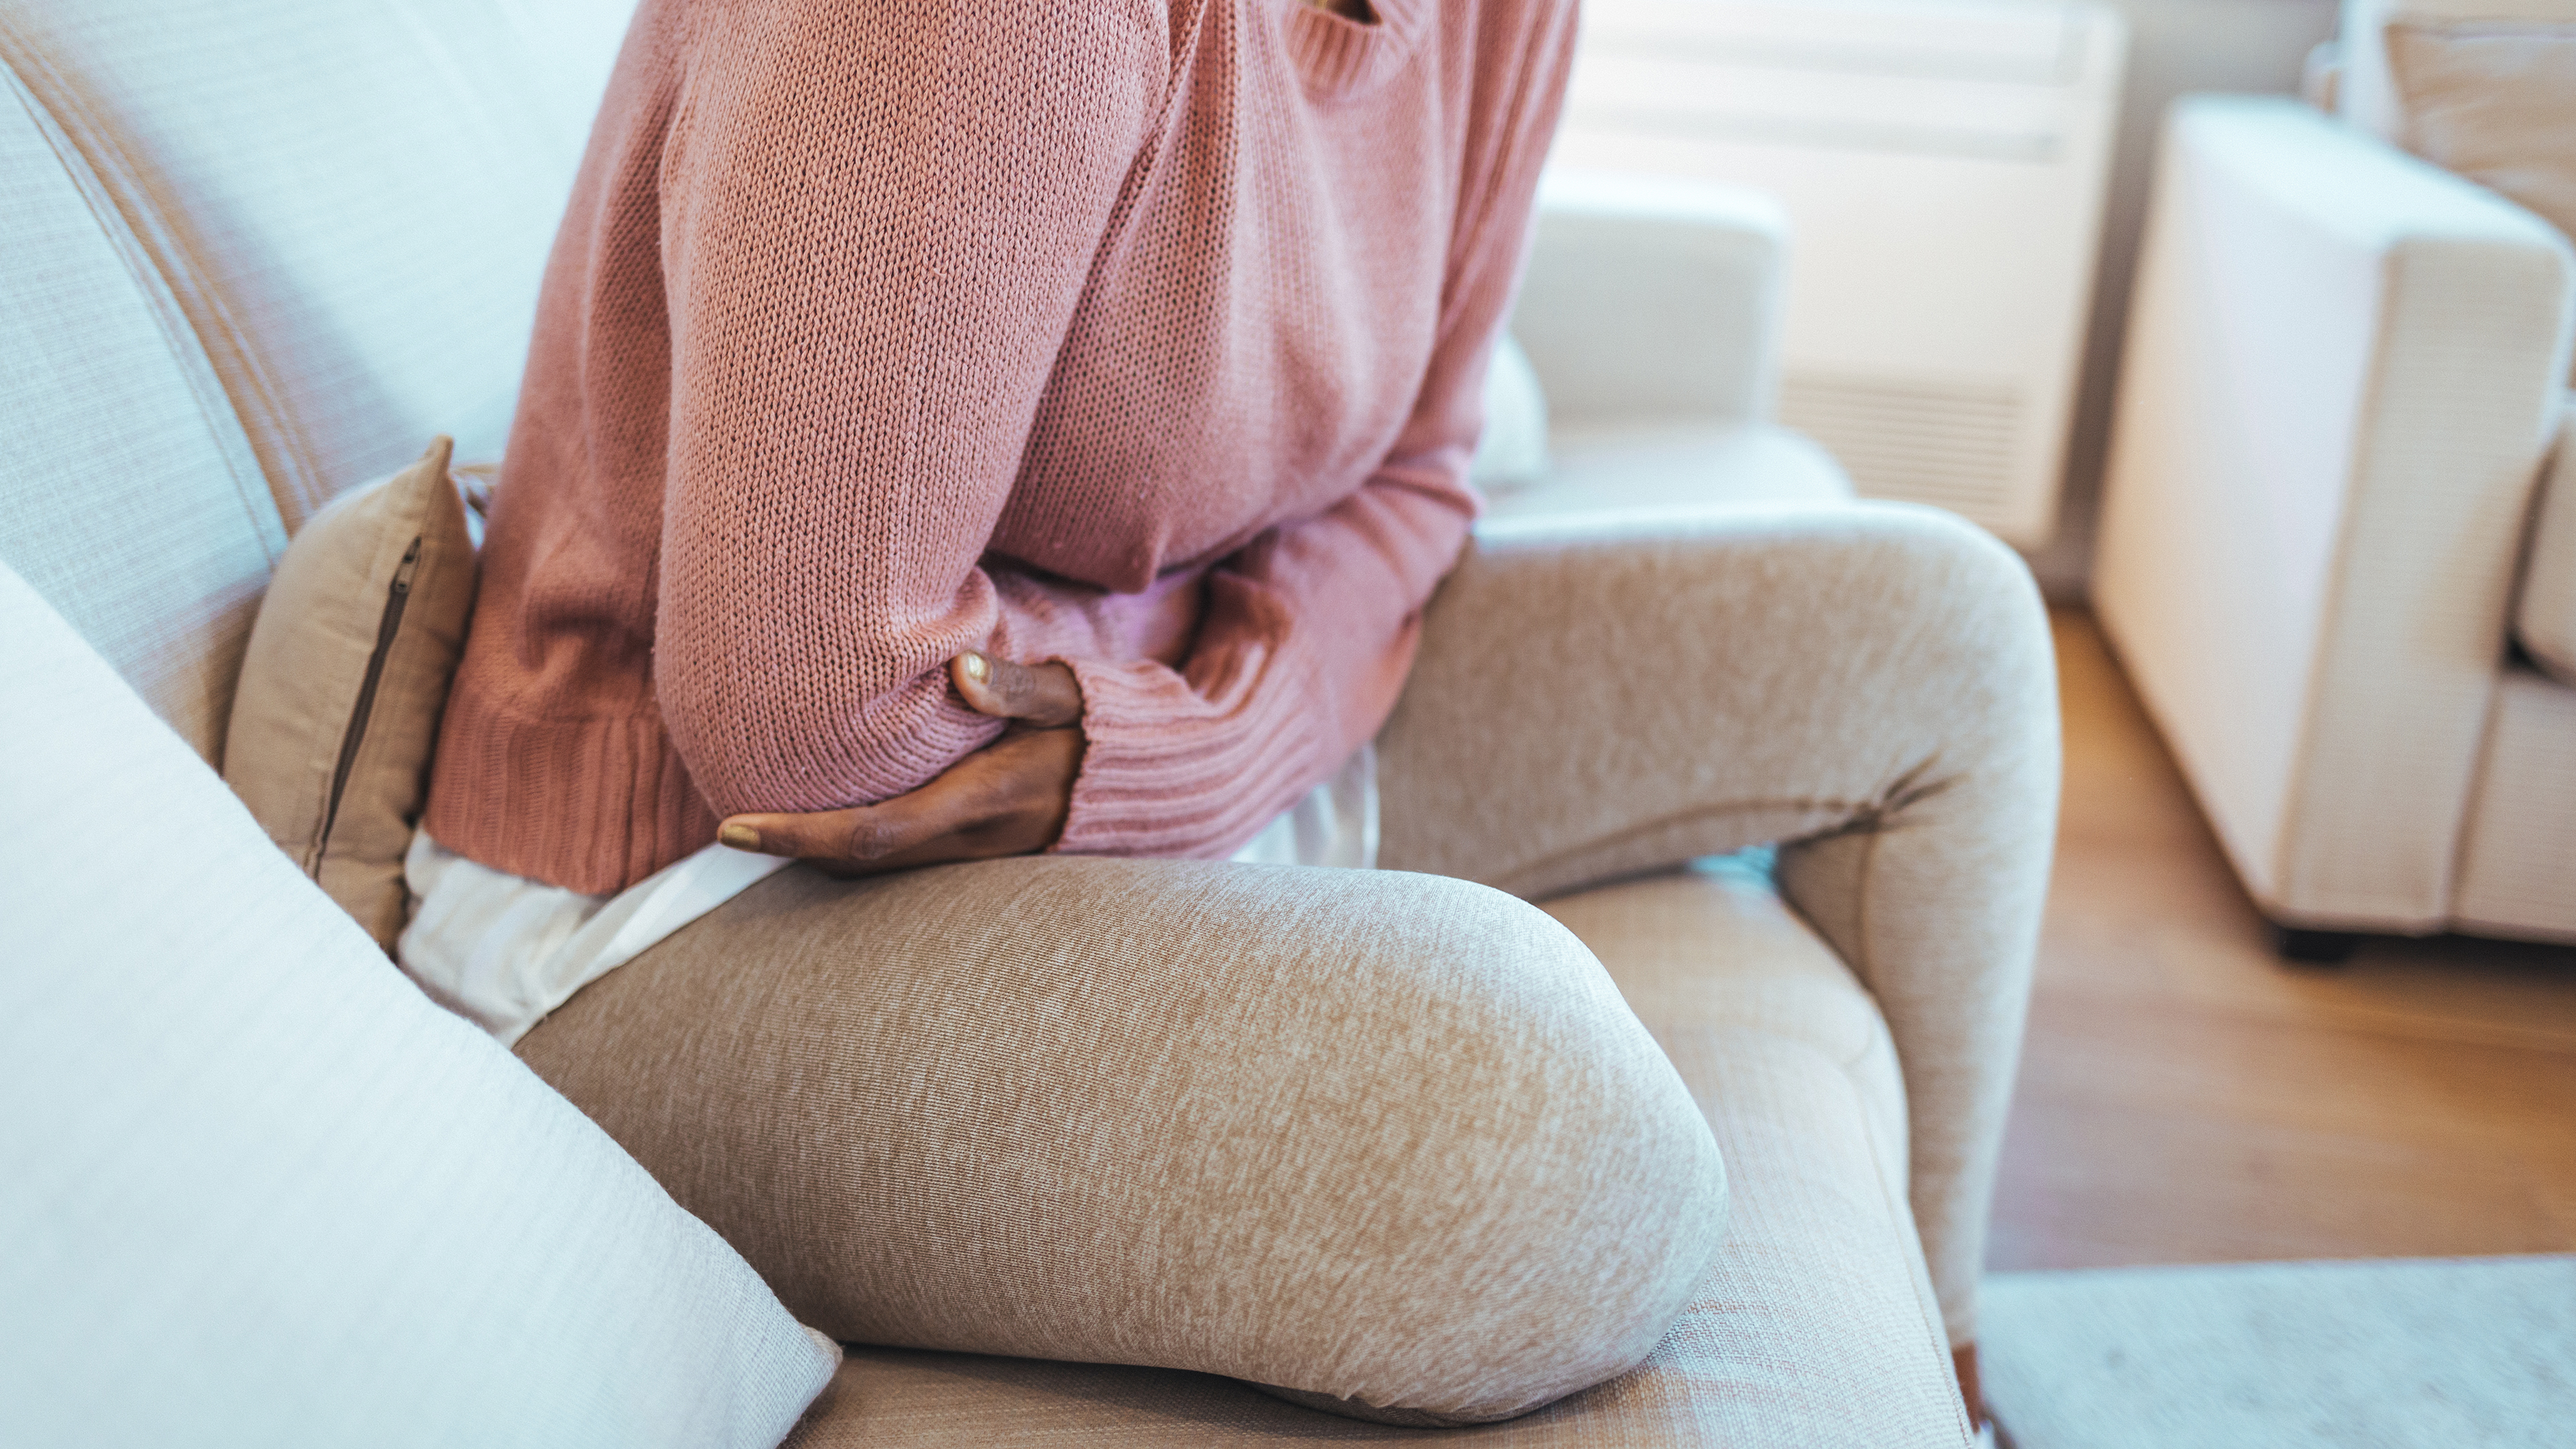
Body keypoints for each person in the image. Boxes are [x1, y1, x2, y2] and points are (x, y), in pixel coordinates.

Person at [398, 0, 1735, 1427]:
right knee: (1541, 1144)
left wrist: (1204, 729)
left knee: (1942, 631)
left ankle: (1967, 1371)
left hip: (1113, 741)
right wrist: (1186, 683)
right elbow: (816, 716)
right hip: (692, 885)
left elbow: (1419, 475)